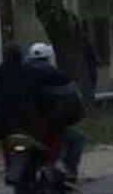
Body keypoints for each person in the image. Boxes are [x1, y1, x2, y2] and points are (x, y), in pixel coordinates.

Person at [24, 42, 84, 185]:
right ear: (48, 58)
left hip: (19, 125)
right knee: (76, 138)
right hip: (46, 125)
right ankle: (70, 172)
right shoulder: (52, 75)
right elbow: (68, 96)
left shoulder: (18, 74)